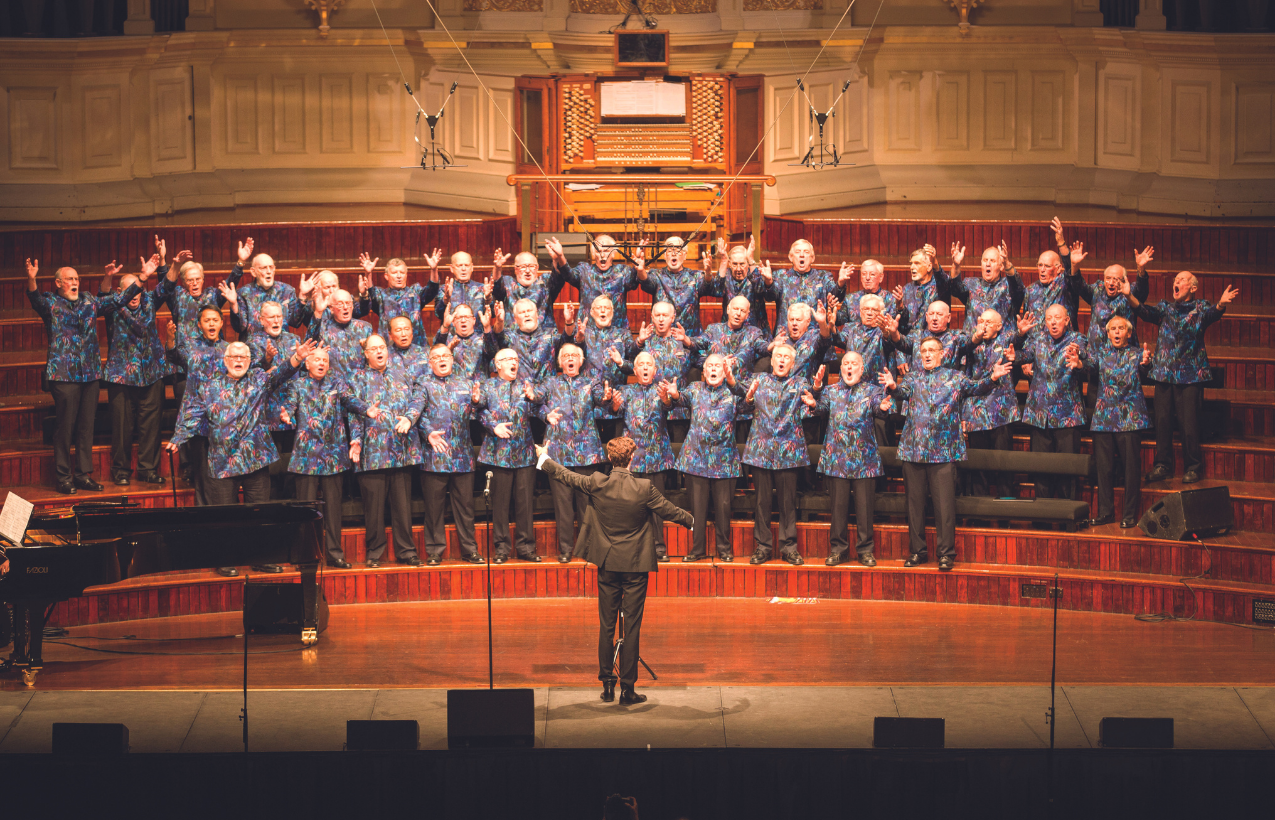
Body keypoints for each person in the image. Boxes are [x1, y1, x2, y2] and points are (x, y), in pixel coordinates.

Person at [534, 436, 692, 705]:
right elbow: (669, 511)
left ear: (611, 459)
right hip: (635, 565)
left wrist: (544, 458)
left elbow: (567, 476)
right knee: (631, 628)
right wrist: (691, 521)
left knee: (607, 625)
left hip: (607, 563)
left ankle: (607, 684)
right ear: (632, 458)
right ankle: (627, 690)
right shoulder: (644, 488)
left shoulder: (597, 482)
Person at [165, 335, 320, 575]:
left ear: (250, 360)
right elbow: (192, 415)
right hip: (222, 460)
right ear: (225, 360)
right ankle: (225, 558)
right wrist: (177, 439)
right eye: (234, 356)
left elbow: (279, 374)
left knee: (260, 512)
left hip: (255, 459)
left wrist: (298, 357)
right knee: (226, 516)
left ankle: (261, 557)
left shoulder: (259, 379)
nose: (238, 360)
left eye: (243, 357)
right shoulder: (209, 385)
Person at [879, 338, 1010, 571]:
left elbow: (976, 388)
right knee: (914, 506)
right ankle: (917, 552)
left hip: (944, 451)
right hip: (914, 450)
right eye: (923, 351)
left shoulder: (955, 377)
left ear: (942, 354)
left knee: (944, 506)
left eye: (931, 351)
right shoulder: (912, 377)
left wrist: (992, 377)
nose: (927, 354)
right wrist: (892, 386)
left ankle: (946, 553)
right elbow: (901, 392)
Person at [26, 257, 143, 494]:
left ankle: (82, 475)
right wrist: (31, 278)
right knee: (65, 427)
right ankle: (63, 477)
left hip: (89, 373)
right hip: (63, 375)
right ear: (58, 283)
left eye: (77, 279)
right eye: (69, 279)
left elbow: (119, 299)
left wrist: (142, 279)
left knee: (86, 426)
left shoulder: (89, 301)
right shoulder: (50, 303)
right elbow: (34, 298)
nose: (74, 282)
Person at [1130, 272, 1238, 484]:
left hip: (1190, 375)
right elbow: (1145, 312)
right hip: (1164, 374)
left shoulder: (1200, 308)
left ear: (1193, 287)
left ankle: (1193, 467)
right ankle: (1162, 465)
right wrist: (1128, 295)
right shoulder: (1165, 308)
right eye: (1175, 281)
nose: (1176, 283)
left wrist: (1221, 304)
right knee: (1162, 422)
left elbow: (1212, 314)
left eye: (1181, 280)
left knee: (1189, 424)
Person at [281, 347, 372, 568]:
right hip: (306, 456)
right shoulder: (298, 385)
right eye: (317, 359)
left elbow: (351, 400)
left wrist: (367, 409)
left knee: (333, 509)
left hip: (334, 455)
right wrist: (287, 414)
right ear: (307, 363)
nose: (322, 363)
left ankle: (334, 554)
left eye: (325, 360)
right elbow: (291, 405)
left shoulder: (337, 383)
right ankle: (304, 555)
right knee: (306, 511)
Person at [741, 346, 822, 566]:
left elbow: (815, 398)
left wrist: (816, 387)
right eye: (778, 356)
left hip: (789, 451)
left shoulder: (800, 383)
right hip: (760, 451)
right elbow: (742, 404)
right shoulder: (757, 380)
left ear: (792, 363)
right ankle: (763, 546)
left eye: (786, 357)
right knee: (762, 502)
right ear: (772, 360)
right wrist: (746, 397)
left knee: (788, 503)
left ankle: (788, 547)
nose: (782, 360)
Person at [803, 351, 885, 566]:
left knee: (864, 509)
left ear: (862, 368)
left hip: (864, 461)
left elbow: (879, 407)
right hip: (836, 459)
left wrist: (884, 407)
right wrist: (813, 402)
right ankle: (838, 550)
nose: (849, 367)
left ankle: (865, 551)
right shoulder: (830, 391)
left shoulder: (872, 390)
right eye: (845, 363)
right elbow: (820, 409)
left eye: (854, 363)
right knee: (838, 509)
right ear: (841, 369)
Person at [347, 335, 423, 568]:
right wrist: (356, 441)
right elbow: (353, 412)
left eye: (382, 347)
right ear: (366, 353)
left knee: (402, 506)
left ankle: (407, 551)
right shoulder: (357, 379)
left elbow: (419, 398)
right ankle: (374, 551)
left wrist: (410, 418)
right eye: (374, 349)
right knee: (374, 507)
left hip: (401, 450)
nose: (379, 351)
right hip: (372, 452)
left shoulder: (403, 373)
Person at [531, 344, 611, 563]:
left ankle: (587, 548)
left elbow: (601, 399)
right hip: (558, 452)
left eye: (574, 355)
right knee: (563, 504)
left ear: (581, 360)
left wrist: (606, 396)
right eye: (566, 356)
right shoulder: (550, 382)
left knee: (587, 505)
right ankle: (566, 549)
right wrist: (546, 415)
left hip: (587, 451)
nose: (570, 358)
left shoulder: (591, 382)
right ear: (560, 362)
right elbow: (534, 403)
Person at [1071, 316, 1151, 528]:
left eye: (1121, 329)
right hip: (1104, 419)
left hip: (1130, 420)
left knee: (1130, 470)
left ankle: (1129, 514)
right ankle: (1106, 512)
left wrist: (1146, 363)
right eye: (1113, 329)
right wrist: (1079, 363)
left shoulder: (1136, 354)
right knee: (1103, 469)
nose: (1116, 332)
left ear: (1128, 333)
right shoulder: (1101, 354)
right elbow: (1088, 365)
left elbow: (1146, 370)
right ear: (1107, 334)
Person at [664, 354, 743, 562]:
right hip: (696, 458)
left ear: (724, 370)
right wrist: (673, 395)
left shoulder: (734, 391)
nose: (713, 369)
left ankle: (724, 548)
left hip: (725, 460)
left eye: (718, 365)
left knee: (724, 508)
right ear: (704, 371)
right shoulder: (694, 388)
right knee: (697, 508)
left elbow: (749, 402)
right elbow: (681, 400)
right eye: (710, 366)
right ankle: (697, 548)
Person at [99, 254, 169, 487]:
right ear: (121, 291)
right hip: (121, 375)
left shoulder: (150, 301)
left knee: (151, 425)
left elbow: (168, 284)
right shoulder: (113, 306)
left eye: (138, 289)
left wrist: (172, 263)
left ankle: (148, 469)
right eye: (129, 290)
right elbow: (103, 294)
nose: (134, 295)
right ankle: (120, 471)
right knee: (121, 426)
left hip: (151, 373)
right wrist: (108, 277)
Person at [415, 344, 485, 566]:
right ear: (430, 361)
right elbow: (416, 412)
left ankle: (469, 550)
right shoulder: (422, 384)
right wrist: (427, 434)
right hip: (434, 456)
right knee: (434, 509)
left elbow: (478, 412)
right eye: (437, 357)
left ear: (452, 359)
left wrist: (476, 402)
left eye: (446, 355)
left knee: (466, 507)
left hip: (462, 457)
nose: (442, 359)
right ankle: (435, 551)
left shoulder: (466, 383)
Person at [473, 349, 542, 564]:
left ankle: (525, 547)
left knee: (525, 504)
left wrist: (543, 408)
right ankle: (501, 549)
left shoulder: (526, 385)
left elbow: (538, 407)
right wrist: (493, 426)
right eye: (508, 359)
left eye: (515, 359)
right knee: (500, 504)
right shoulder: (487, 385)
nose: (513, 362)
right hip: (498, 453)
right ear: (497, 365)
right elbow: (478, 410)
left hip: (524, 454)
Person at [609, 352, 677, 562]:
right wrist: (614, 407)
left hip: (657, 457)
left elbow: (670, 406)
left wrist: (666, 399)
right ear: (635, 370)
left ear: (655, 371)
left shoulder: (662, 390)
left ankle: (658, 547)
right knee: (631, 507)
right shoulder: (624, 391)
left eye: (649, 365)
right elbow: (613, 413)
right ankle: (632, 548)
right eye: (641, 365)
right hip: (632, 459)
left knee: (656, 505)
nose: (645, 367)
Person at [1015, 305, 1087, 500]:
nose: (1053, 322)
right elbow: (1021, 355)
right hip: (1039, 414)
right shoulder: (1037, 339)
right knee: (1041, 470)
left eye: (1057, 318)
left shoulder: (1077, 339)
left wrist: (1079, 359)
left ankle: (1067, 519)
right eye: (1049, 319)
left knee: (1067, 470)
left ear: (1067, 320)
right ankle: (1042, 519)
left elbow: (1084, 356)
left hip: (1067, 415)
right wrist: (1019, 337)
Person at [961, 309, 1020, 498]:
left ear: (999, 327)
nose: (984, 325)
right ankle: (980, 509)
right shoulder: (970, 343)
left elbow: (1018, 338)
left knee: (1004, 463)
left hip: (1001, 412)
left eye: (989, 322)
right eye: (982, 321)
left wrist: (1022, 332)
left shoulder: (1005, 340)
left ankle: (1006, 508)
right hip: (976, 411)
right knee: (979, 465)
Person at [552, 234, 639, 329]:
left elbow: (634, 282)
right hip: (587, 332)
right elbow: (569, 275)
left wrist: (637, 261)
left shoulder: (623, 272)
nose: (602, 255)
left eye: (606, 251)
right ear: (593, 254)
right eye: (598, 251)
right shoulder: (584, 270)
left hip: (616, 333)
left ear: (614, 253)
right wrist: (560, 257)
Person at [637, 235, 716, 335]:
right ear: (665, 255)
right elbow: (646, 281)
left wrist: (708, 273)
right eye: (669, 251)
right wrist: (640, 270)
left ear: (685, 255)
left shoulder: (695, 276)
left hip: (689, 339)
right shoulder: (657, 275)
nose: (674, 253)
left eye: (678, 250)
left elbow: (707, 285)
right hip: (661, 341)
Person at [355, 253, 440, 344]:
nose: (399, 276)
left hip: (415, 348)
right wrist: (368, 273)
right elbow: (371, 293)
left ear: (406, 275)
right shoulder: (381, 295)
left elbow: (432, 289)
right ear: (386, 276)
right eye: (394, 273)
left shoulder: (415, 292)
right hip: (389, 349)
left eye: (402, 273)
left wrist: (434, 269)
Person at [757, 238, 842, 330]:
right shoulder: (780, 276)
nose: (802, 255)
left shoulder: (823, 277)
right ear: (791, 257)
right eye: (798, 252)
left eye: (806, 252)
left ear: (812, 258)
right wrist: (769, 281)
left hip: (815, 336)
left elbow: (836, 297)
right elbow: (770, 297)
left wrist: (841, 283)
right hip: (785, 335)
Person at [947, 243, 1024, 337]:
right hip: (973, 343)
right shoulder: (971, 284)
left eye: (992, 261)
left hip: (1001, 345)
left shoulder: (1008, 285)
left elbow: (1018, 288)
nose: (988, 264)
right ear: (981, 265)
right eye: (985, 260)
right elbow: (954, 288)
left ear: (1001, 266)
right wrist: (956, 265)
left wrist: (1007, 264)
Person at [490, 298, 576, 382]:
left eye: (529, 311)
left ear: (537, 315)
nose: (527, 314)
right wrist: (500, 321)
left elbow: (566, 341)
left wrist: (569, 322)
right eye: (522, 312)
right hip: (520, 391)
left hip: (546, 391)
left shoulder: (550, 334)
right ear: (515, 319)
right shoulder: (511, 337)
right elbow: (498, 335)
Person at [230, 241, 304, 336]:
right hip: (253, 347)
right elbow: (239, 327)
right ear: (253, 272)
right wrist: (234, 305)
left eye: (271, 267)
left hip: (281, 347)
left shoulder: (287, 291)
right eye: (264, 268)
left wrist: (303, 297)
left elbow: (295, 323)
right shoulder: (243, 293)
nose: (269, 271)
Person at [491, 246, 568, 326]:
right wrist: (497, 268)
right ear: (516, 269)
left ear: (537, 268)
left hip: (542, 335)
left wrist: (557, 259)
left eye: (531, 266)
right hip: (514, 335)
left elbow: (559, 276)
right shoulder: (507, 283)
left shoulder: (545, 282)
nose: (527, 271)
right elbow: (496, 286)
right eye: (523, 267)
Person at [710, 237, 772, 335]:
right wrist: (723, 260)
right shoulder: (725, 275)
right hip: (730, 333)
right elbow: (717, 291)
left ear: (747, 263)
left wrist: (751, 258)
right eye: (734, 264)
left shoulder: (754, 274)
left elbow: (760, 289)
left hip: (756, 332)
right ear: (729, 263)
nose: (738, 268)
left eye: (742, 264)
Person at [435, 302, 493, 380]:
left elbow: (493, 353)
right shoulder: (446, 339)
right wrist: (448, 351)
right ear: (453, 322)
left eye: (467, 317)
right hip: (454, 388)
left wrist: (486, 327)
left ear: (474, 320)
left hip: (479, 388)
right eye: (459, 318)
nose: (463, 320)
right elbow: (435, 354)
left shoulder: (483, 339)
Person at [434, 251, 488, 320]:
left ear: (472, 267)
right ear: (451, 268)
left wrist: (488, 298)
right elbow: (438, 314)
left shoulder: (482, 288)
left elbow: (492, 313)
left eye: (467, 265)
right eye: (459, 265)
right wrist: (445, 300)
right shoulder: (443, 289)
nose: (463, 269)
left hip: (477, 330)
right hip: (452, 330)